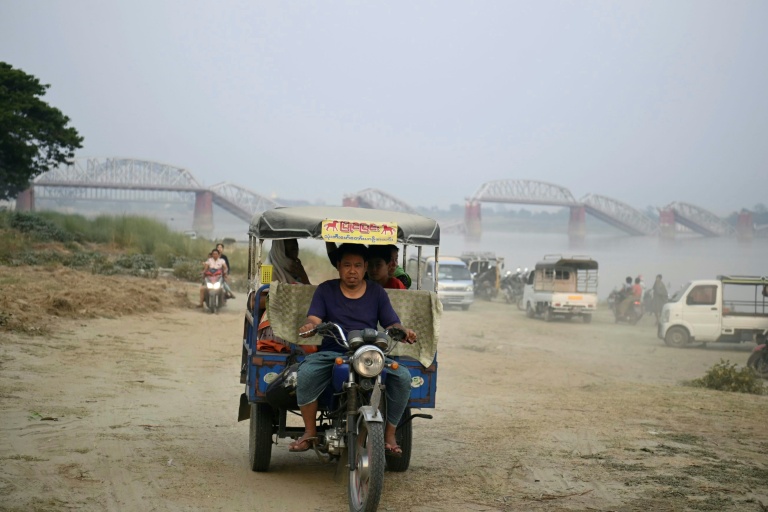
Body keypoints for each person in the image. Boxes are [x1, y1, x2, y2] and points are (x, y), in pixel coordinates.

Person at [291, 243, 417, 456]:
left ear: (365, 267)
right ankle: (310, 432)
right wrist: (309, 326)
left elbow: (391, 322)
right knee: (306, 373)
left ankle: (389, 434)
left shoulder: (376, 292)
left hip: (367, 353)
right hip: (333, 352)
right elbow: (314, 318)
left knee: (403, 377)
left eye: (358, 265)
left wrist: (403, 330)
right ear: (338, 266)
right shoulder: (325, 290)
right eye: (347, 265)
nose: (352, 270)